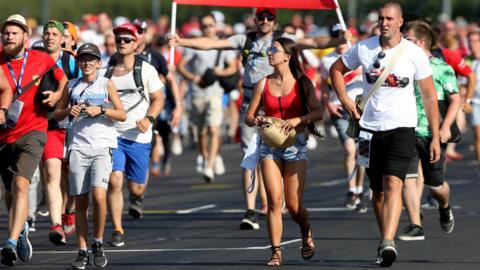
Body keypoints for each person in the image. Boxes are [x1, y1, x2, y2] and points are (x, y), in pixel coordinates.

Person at [170, 7, 348, 230]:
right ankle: (251, 210)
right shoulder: (244, 39)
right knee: (249, 157)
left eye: (269, 17)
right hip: (249, 104)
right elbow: (212, 43)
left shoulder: (283, 41)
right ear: (254, 19)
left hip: (277, 109)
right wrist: (182, 41)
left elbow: (314, 42)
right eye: (261, 17)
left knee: (276, 157)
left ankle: (273, 203)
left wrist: (338, 39)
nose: (265, 21)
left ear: (274, 21)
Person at [330, 3, 441, 267]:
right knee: (377, 191)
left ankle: (389, 242)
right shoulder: (364, 48)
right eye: (381, 18)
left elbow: (429, 96)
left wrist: (435, 135)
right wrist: (345, 99)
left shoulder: (414, 53)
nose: (384, 23)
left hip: (402, 128)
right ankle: (385, 239)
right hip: (368, 129)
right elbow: (336, 70)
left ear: (400, 21)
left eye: (390, 18)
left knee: (394, 184)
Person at [245, 37, 322, 266]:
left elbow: (318, 113)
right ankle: (276, 252)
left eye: (274, 50)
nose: (270, 53)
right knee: (274, 201)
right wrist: (256, 119)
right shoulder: (263, 83)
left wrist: (300, 118)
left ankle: (305, 229)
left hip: (295, 146)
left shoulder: (303, 83)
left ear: (287, 56)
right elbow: (249, 116)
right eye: (269, 49)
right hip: (269, 146)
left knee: (294, 205)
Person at [0, 14, 66, 266]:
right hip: (4, 135)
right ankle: (20, 231)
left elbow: (63, 80)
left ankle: (10, 241)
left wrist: (57, 97)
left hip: (33, 130)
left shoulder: (41, 58)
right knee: (9, 192)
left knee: (21, 185)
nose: (9, 37)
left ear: (26, 38)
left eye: (14, 33)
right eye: (6, 33)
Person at [54, 42, 126, 269]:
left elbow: (122, 114)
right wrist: (68, 111)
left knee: (98, 196)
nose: (86, 63)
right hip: (78, 148)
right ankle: (82, 250)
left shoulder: (106, 83)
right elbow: (57, 114)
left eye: (90, 60)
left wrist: (102, 110)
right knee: (81, 201)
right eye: (82, 59)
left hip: (102, 147)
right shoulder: (71, 85)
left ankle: (98, 241)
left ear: (98, 63)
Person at [399, 21, 458, 241]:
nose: (403, 42)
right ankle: (415, 224)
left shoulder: (441, 68)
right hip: (405, 129)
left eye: (408, 38)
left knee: (434, 185)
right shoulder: (402, 65)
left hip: (432, 132)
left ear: (420, 41)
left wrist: (444, 127)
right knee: (408, 178)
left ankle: (445, 205)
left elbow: (455, 100)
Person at [106, 23, 164, 247]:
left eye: (127, 40)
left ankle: (137, 197)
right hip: (113, 135)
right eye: (119, 39)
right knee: (114, 180)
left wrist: (149, 119)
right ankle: (118, 229)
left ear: (136, 43)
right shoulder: (106, 71)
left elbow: (158, 99)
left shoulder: (146, 70)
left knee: (136, 186)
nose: (122, 43)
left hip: (139, 136)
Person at [176, 13, 237, 182]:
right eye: (204, 26)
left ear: (215, 26)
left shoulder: (222, 44)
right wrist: (192, 77)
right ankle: (207, 156)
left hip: (215, 93)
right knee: (201, 133)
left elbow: (233, 67)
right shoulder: (194, 45)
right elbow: (180, 66)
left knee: (214, 128)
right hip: (197, 93)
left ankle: (210, 166)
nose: (208, 29)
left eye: (211, 25)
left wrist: (221, 72)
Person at [40, 19, 81, 246]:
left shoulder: (70, 61)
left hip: (72, 123)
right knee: (53, 172)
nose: (50, 37)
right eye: (47, 34)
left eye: (55, 34)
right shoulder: (35, 58)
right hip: (50, 125)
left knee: (73, 175)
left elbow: (83, 85)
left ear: (63, 38)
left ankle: (70, 209)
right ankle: (56, 225)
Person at [320, 42, 367, 213]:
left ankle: (360, 190)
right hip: (339, 109)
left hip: (360, 107)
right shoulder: (327, 60)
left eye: (342, 38)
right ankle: (351, 189)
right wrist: (328, 104)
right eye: (336, 38)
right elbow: (324, 84)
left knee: (361, 151)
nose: (339, 42)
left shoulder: (361, 53)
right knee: (349, 149)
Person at [465, 31, 480, 168]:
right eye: (470, 41)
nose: (472, 44)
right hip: (475, 101)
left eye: (475, 41)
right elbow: (463, 84)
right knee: (478, 133)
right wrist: (466, 101)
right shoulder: (467, 61)